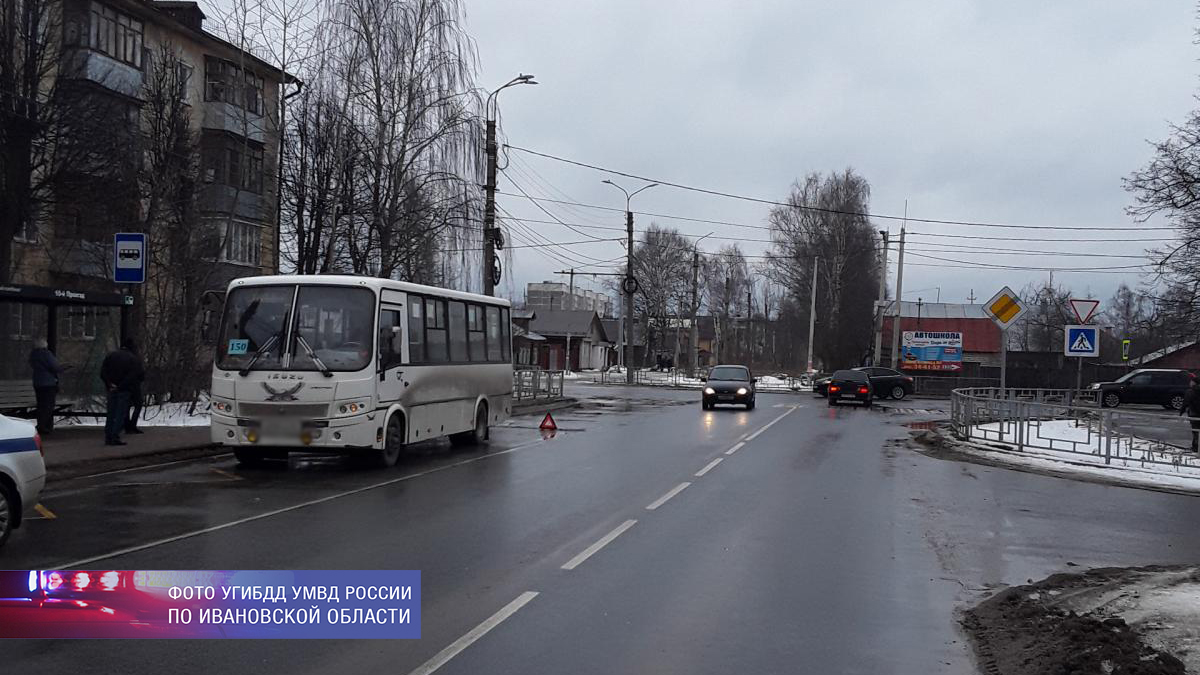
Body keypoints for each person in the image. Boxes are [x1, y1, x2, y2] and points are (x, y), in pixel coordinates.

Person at [100, 338, 144, 446]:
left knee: (111, 413)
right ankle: (115, 436)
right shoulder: (133, 359)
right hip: (124, 389)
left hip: (111, 388)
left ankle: (108, 436)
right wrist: (120, 386)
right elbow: (134, 375)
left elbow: (102, 372)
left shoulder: (110, 356)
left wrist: (109, 384)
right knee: (120, 413)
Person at [29, 338, 63, 436]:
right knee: (48, 405)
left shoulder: (33, 355)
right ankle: (43, 426)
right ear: (45, 345)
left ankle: (41, 424)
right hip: (48, 383)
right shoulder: (46, 354)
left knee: (41, 405)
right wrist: (63, 367)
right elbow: (55, 367)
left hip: (38, 382)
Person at [1181, 376, 1200, 453]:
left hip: (1194, 414)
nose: (1190, 383)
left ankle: (1196, 447)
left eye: (1191, 381)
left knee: (1195, 431)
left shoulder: (1190, 391)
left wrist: (1181, 412)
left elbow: (1186, 402)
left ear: (1194, 383)